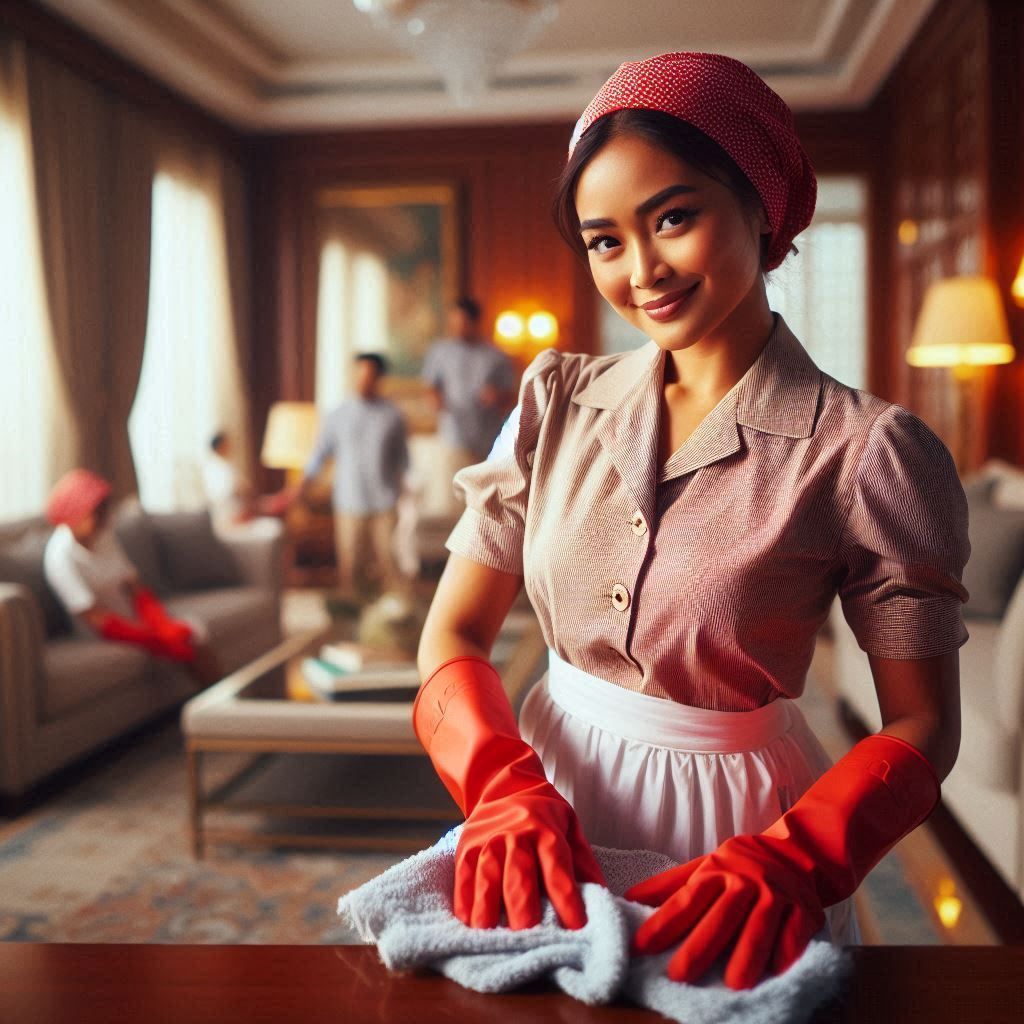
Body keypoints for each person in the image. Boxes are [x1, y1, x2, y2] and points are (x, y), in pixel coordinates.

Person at [413, 52, 968, 990]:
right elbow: (455, 634)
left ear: (760, 205)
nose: (641, 271)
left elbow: (920, 723)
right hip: (539, 792)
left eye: (674, 217)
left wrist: (801, 860)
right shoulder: (553, 398)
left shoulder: (869, 451)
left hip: (741, 827)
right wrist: (500, 787)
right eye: (605, 241)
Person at [42, 469, 220, 688]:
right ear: (74, 514)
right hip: (105, 630)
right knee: (186, 641)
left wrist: (160, 623)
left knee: (194, 633)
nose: (104, 519)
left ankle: (218, 704)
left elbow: (133, 585)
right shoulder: (60, 557)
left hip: (134, 617)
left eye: (104, 511)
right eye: (96, 513)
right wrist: (153, 637)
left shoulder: (104, 536)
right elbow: (95, 618)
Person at [301, 352, 409, 602]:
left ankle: (395, 619)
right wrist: (303, 484)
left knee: (389, 564)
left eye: (369, 375)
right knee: (351, 567)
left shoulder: (393, 416)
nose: (362, 380)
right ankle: (352, 619)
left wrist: (408, 497)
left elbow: (403, 460)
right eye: (358, 373)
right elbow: (320, 453)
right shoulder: (337, 414)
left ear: (379, 378)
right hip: (349, 501)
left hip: (385, 502)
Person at [422, 298, 517, 507]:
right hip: (454, 436)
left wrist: (496, 396)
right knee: (455, 499)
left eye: (462, 323)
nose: (457, 328)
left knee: (486, 499)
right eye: (453, 323)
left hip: (488, 439)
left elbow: (510, 394)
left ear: (475, 323)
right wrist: (436, 400)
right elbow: (431, 387)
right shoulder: (440, 352)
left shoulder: (496, 355)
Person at [202, 430, 289, 538]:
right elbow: (233, 491)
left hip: (236, 511)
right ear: (220, 446)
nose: (230, 446)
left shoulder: (219, 467)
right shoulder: (220, 470)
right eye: (227, 444)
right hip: (232, 514)